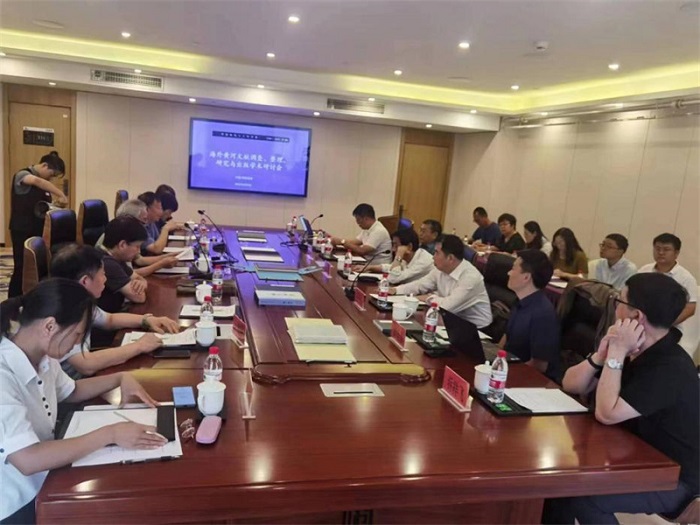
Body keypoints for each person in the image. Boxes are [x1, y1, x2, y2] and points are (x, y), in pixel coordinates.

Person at [0, 278, 166, 524]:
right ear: (49, 326)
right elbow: (27, 459)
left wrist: (120, 377)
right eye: (77, 334)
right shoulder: (4, 375)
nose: (77, 343)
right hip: (17, 501)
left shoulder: (42, 355)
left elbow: (72, 390)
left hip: (47, 476)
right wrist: (110, 433)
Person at [544, 273, 698, 524]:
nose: (615, 309)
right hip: (631, 453)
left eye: (619, 301)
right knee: (557, 483)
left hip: (674, 477)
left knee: (584, 498)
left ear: (636, 316)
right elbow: (571, 383)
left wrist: (616, 353)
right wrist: (601, 355)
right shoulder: (634, 348)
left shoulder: (670, 367)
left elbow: (607, 413)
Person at [50, 244, 180, 379]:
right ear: (85, 281)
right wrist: (139, 346)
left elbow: (109, 319)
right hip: (74, 385)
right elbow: (86, 364)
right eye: (102, 274)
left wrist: (146, 320)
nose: (105, 279)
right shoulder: (61, 313)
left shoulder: (76, 300)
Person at [390, 235, 492, 329]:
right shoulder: (441, 269)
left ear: (450, 258)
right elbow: (420, 284)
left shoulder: (470, 278)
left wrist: (428, 297)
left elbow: (446, 307)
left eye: (436, 253)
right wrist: (396, 290)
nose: (433, 257)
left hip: (479, 330)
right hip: (451, 321)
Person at [8, 151, 68, 298]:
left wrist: (55, 205)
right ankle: (13, 300)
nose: (50, 179)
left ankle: (31, 298)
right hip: (22, 229)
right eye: (52, 174)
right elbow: (37, 182)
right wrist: (61, 194)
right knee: (21, 267)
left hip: (36, 229)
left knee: (34, 267)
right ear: (44, 165)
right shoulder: (23, 175)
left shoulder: (42, 184)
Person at [500, 250, 561, 381]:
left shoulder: (543, 314)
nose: (508, 273)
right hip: (508, 367)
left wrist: (503, 373)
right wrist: (494, 358)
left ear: (526, 277)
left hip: (528, 379)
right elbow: (506, 337)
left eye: (513, 269)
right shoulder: (519, 301)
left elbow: (539, 365)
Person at [94, 216, 149, 346]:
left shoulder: (114, 258)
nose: (138, 251)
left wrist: (143, 283)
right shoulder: (107, 263)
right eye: (137, 246)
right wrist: (141, 285)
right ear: (122, 245)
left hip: (113, 319)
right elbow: (139, 297)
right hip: (104, 333)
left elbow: (139, 278)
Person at [103, 199, 179, 277]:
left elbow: (139, 261)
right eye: (144, 220)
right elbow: (129, 275)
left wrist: (166, 257)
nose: (146, 224)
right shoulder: (118, 240)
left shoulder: (126, 234)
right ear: (131, 219)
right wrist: (161, 264)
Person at [638, 233, 697, 329]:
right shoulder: (644, 270)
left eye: (666, 249)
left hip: (669, 327)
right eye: (657, 249)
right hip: (640, 322)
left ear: (676, 253)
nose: (661, 252)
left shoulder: (685, 278)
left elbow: (690, 308)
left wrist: (665, 324)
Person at [362, 228, 434, 285]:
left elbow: (393, 278)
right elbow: (392, 268)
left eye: (396, 245)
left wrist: (399, 255)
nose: (393, 249)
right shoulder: (409, 256)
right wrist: (370, 267)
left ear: (409, 247)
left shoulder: (423, 261)